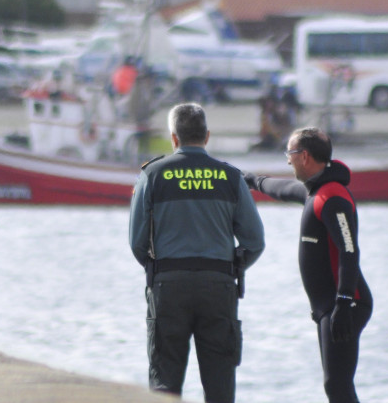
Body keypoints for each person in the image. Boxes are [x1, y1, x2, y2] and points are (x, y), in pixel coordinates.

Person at [129, 102, 265, 403]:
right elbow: (254, 241)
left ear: (173, 138)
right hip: (218, 286)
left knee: (165, 382)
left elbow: (137, 242)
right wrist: (231, 266)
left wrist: (160, 269)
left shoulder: (152, 175)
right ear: (206, 136)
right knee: (220, 385)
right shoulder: (230, 177)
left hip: (168, 286)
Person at [243, 127, 372, 403]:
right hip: (331, 304)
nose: (287, 161)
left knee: (337, 386)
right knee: (335, 385)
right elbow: (282, 189)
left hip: (345, 303)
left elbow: (349, 251)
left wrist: (343, 302)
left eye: (290, 154)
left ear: (303, 156)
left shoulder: (332, 197)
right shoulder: (316, 192)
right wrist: (252, 180)